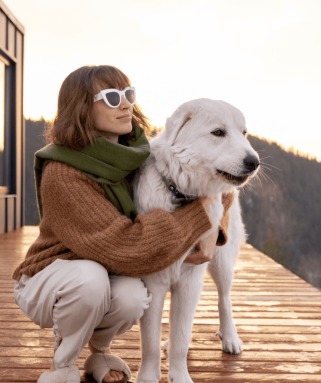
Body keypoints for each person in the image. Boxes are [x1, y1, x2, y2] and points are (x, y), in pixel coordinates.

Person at [12, 65, 228, 383]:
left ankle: (99, 353)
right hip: (51, 275)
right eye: (112, 97)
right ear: (82, 108)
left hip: (102, 271)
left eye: (129, 94)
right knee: (91, 279)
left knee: (133, 296)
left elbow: (214, 174)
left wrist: (215, 228)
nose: (125, 104)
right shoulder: (64, 172)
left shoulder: (137, 154)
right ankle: (63, 364)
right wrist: (202, 214)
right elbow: (126, 247)